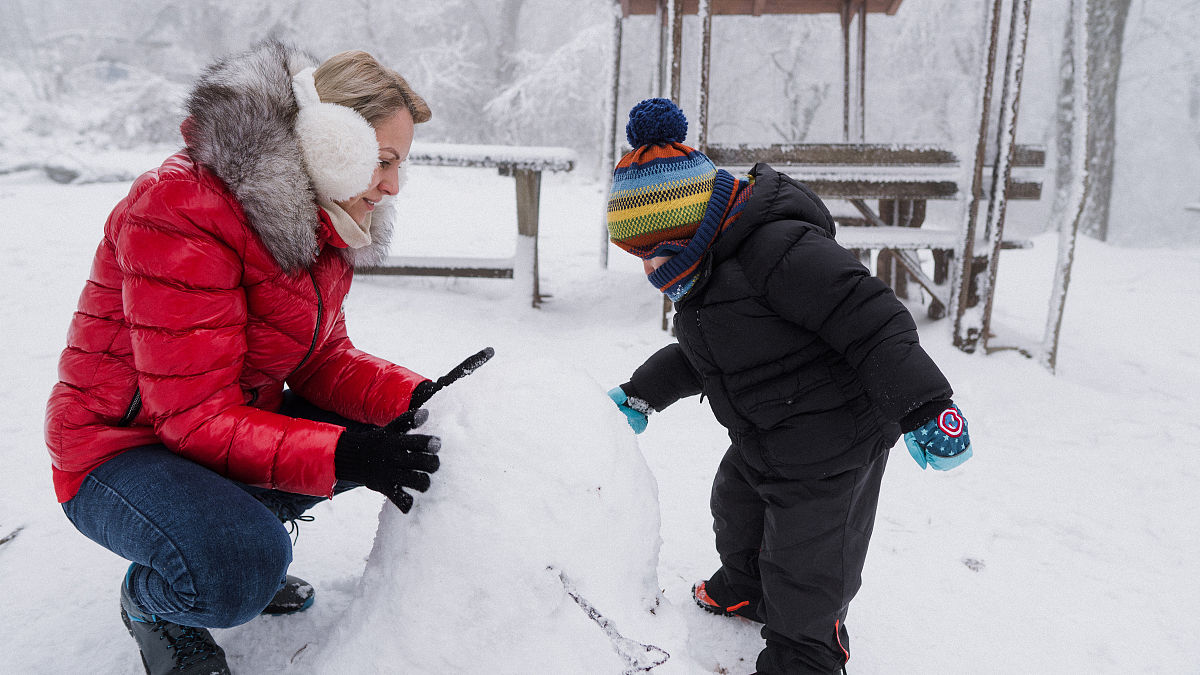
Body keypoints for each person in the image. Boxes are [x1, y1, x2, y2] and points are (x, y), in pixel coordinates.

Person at [45, 40, 489, 674]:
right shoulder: (179, 210)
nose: (392, 187)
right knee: (237, 565)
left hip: (213, 426)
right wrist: (343, 454)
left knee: (390, 427)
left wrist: (421, 398)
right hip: (116, 450)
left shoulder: (322, 218)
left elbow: (321, 360)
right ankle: (165, 599)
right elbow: (192, 418)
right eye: (383, 161)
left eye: (401, 167)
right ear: (335, 142)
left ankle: (233, 542)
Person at [605, 99, 973, 675]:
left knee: (809, 564)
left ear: (695, 225)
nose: (651, 267)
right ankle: (750, 586)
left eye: (657, 251)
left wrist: (926, 406)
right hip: (768, 431)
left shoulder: (781, 252)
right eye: (641, 255)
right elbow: (706, 355)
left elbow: (873, 320)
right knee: (735, 504)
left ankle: (806, 655)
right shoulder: (705, 274)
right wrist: (642, 392)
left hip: (837, 440)